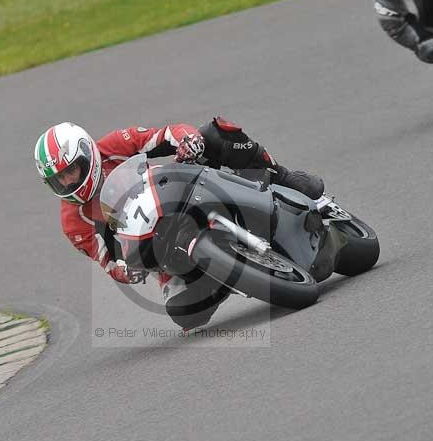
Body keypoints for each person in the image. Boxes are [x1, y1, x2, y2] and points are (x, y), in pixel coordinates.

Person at [34, 118, 324, 329]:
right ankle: (223, 273)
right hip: (159, 246)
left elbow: (165, 134)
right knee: (183, 312)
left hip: (178, 190)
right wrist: (127, 271)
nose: (68, 182)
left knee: (215, 133)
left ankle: (283, 176)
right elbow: (108, 261)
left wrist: (188, 139)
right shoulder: (74, 223)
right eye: (58, 179)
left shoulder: (113, 145)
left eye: (71, 171)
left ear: (88, 154)